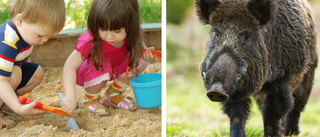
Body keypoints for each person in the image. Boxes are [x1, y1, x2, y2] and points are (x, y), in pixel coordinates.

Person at [60, 0, 159, 117]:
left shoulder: (132, 35)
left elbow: (141, 49)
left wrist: (147, 53)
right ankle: (92, 99)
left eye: (117, 31)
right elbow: (70, 65)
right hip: (91, 71)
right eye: (103, 29)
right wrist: (70, 97)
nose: (109, 36)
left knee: (140, 59)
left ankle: (113, 94)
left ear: (130, 26)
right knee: (102, 63)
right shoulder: (90, 41)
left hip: (115, 68)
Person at [0, 0, 65, 129]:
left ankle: (7, 104)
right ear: (20, 20)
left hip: (5, 76)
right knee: (16, 73)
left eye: (49, 35)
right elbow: (2, 82)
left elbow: (23, 58)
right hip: (2, 80)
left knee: (36, 73)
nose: (45, 40)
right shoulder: (7, 43)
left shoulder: (27, 33)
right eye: (40, 35)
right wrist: (19, 108)